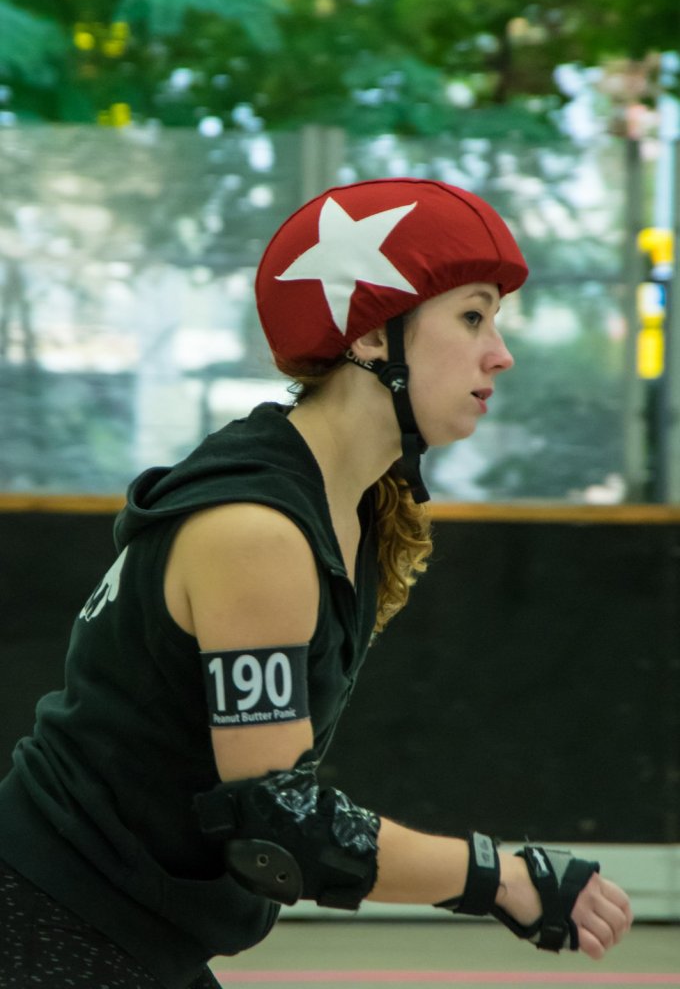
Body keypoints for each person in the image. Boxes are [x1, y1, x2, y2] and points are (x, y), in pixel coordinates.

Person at [0, 178, 633, 989]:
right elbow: (278, 828)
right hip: (52, 925)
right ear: (372, 338)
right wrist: (503, 878)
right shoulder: (256, 529)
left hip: (116, 929)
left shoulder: (350, 505)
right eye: (472, 316)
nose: (500, 352)